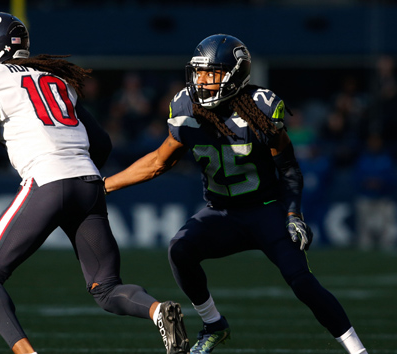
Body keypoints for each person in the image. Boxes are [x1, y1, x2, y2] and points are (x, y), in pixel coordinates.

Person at [0, 12, 189, 354]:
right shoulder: (54, 77)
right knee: (105, 289)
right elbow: (102, 143)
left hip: (47, 181)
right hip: (88, 181)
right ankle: (156, 310)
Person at [104, 34, 368, 354]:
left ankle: (357, 350)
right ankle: (214, 324)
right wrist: (104, 185)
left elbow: (288, 167)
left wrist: (293, 213)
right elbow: (160, 161)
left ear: (235, 75)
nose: (200, 81)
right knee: (180, 249)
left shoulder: (261, 108)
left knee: (301, 280)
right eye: (198, 72)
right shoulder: (186, 105)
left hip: (265, 209)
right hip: (222, 213)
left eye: (210, 73)